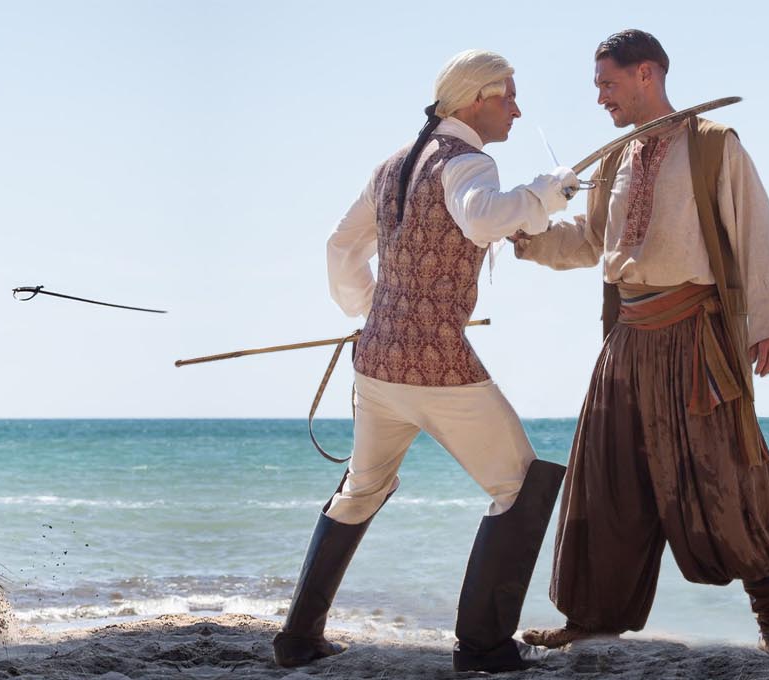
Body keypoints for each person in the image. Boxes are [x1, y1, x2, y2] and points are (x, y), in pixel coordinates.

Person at [510, 30, 769, 664]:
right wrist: (527, 237)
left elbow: (756, 232)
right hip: (627, 344)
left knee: (729, 477)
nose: (600, 97)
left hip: (695, 342)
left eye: (607, 83)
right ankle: (588, 620)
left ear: (647, 75)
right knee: (606, 480)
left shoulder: (715, 147)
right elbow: (589, 242)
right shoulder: (614, 158)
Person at [279, 49, 577, 673]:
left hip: (377, 363)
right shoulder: (471, 161)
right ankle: (483, 648)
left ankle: (298, 639)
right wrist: (546, 194)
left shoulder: (393, 165)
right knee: (518, 487)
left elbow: (341, 245)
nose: (518, 109)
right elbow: (482, 219)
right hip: (439, 368)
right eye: (510, 97)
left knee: (362, 487)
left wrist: (372, 312)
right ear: (476, 100)